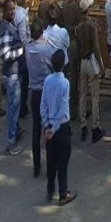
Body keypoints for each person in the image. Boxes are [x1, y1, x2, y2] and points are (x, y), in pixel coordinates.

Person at [41, 49, 75, 206]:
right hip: (61, 127)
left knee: (51, 160)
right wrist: (54, 128)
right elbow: (62, 109)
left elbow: (43, 104)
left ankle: (50, 189)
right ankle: (63, 193)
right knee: (63, 161)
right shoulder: (64, 83)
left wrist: (46, 125)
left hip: (49, 125)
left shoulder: (48, 81)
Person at [26, 20, 53, 178]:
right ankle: (50, 165)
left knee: (36, 130)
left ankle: (36, 165)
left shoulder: (28, 48)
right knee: (48, 129)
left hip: (34, 92)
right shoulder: (45, 49)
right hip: (45, 92)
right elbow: (52, 64)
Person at [0, 0, 25, 155]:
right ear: (4, 11)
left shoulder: (9, 25)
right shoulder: (5, 30)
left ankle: (16, 130)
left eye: (14, 9)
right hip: (12, 73)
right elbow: (5, 54)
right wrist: (20, 52)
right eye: (10, 10)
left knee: (13, 105)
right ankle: (11, 142)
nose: (13, 12)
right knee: (14, 107)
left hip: (14, 72)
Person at [76, 0, 104, 143]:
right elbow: (96, 48)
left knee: (83, 94)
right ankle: (95, 126)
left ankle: (83, 125)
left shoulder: (78, 27)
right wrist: (101, 65)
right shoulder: (91, 26)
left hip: (82, 61)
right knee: (94, 96)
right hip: (92, 61)